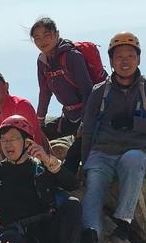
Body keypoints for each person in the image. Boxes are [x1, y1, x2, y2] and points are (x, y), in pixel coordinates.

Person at [80, 32, 146, 243]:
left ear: (138, 59)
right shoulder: (99, 92)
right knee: (95, 182)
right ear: (111, 61)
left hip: (136, 150)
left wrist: (133, 123)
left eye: (130, 55)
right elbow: (88, 128)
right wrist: (86, 162)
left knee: (134, 160)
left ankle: (123, 222)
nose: (125, 61)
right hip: (103, 151)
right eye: (119, 56)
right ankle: (91, 232)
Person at [0, 115, 84, 243]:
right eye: (3, 140)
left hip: (46, 234)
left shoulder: (40, 168)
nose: (7, 144)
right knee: (6, 238)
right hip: (19, 240)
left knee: (72, 204)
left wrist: (49, 161)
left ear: (27, 143)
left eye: (12, 139)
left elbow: (72, 184)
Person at [31, 17, 100, 147]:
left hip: (89, 116)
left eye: (46, 35)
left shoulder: (72, 56)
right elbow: (45, 92)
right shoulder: (43, 61)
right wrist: (38, 122)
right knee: (34, 137)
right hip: (70, 117)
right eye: (37, 38)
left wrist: (85, 123)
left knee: (77, 156)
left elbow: (88, 91)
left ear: (57, 34)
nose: (42, 41)